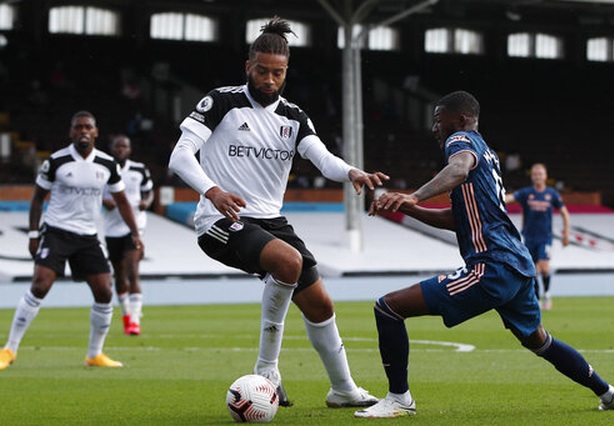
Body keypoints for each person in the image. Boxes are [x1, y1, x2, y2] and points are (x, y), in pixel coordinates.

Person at [356, 91, 614, 418]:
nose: (434, 127)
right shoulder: (489, 155)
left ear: (459, 120)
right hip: (517, 266)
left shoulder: (459, 141)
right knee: (539, 341)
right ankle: (609, 392)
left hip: (492, 267)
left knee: (388, 308)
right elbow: (459, 220)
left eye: (437, 119)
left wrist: (414, 195)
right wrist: (407, 208)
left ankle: (399, 398)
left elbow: (458, 168)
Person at [168, 16, 388, 408]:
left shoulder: (293, 116)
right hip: (221, 220)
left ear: (286, 72)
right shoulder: (221, 101)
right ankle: (267, 370)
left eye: (278, 73)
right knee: (288, 262)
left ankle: (343, 389)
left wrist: (351, 171)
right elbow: (181, 155)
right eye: (263, 71)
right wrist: (213, 191)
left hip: (271, 221)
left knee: (321, 304)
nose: (270, 80)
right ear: (248, 67)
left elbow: (322, 158)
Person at [0, 111, 144, 370]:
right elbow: (37, 198)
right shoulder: (57, 161)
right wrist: (34, 234)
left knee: (104, 291)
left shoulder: (107, 164)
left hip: (88, 236)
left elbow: (122, 201)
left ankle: (94, 354)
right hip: (57, 232)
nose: (83, 131)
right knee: (40, 285)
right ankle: (9, 349)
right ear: (71, 132)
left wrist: (135, 233)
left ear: (96, 132)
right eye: (78, 127)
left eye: (88, 127)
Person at [103, 135, 154, 335]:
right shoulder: (105, 168)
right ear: (112, 149)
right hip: (112, 227)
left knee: (133, 269)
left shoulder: (139, 169)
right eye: (117, 146)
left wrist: (146, 203)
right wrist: (103, 201)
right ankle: (126, 312)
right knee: (119, 274)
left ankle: (134, 320)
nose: (121, 149)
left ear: (129, 150)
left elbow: (149, 192)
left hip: (135, 226)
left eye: (124, 146)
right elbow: (96, 191)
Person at [505, 163, 570, 310]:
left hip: (545, 237)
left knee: (545, 267)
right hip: (529, 237)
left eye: (540, 174)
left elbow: (564, 213)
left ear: (545, 176)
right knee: (531, 271)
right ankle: (536, 298)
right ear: (532, 176)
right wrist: (495, 198)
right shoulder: (527, 193)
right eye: (535, 174)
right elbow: (510, 198)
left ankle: (547, 294)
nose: (538, 176)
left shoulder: (552, 194)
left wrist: (566, 233)